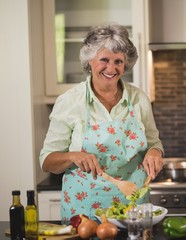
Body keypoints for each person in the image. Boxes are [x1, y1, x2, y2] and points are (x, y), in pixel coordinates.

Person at [39, 23, 164, 223]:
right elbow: (47, 161)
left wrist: (155, 152)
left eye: (118, 61)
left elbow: (153, 143)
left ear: (126, 64)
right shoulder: (70, 101)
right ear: (90, 61)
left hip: (133, 210)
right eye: (104, 60)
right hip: (85, 212)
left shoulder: (139, 99)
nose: (111, 68)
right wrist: (73, 156)